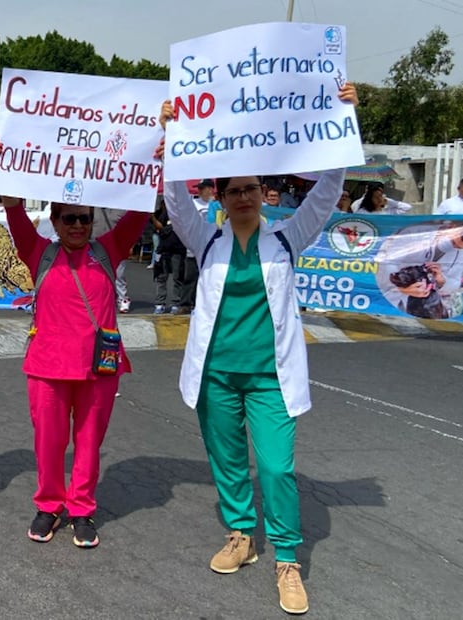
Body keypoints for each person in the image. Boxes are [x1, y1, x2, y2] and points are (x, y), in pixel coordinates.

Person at [159, 82, 359, 615]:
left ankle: (287, 560)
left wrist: (342, 119)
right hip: (217, 375)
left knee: (275, 469)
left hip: (270, 377)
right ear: (221, 199)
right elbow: (176, 202)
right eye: (233, 191)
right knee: (227, 462)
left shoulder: (287, 238)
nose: (243, 197)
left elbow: (325, 194)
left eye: (250, 189)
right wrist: (173, 136)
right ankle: (241, 535)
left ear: (261, 192)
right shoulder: (207, 241)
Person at [0, 136, 150, 549]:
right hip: (46, 367)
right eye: (69, 218)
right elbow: (14, 210)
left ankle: (81, 508)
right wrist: (1, 162)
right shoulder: (38, 252)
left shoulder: (108, 250)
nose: (77, 225)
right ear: (55, 222)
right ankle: (49, 504)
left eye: (84, 218)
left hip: (99, 368)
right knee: (50, 442)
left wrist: (153, 162)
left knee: (90, 442)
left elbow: (141, 211)